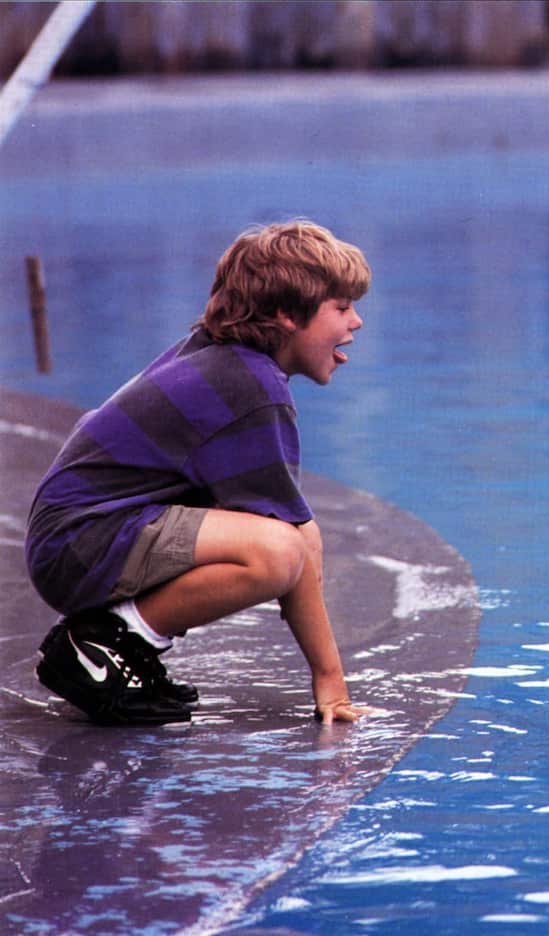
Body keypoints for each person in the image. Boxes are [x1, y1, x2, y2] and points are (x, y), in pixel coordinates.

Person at [26, 220, 372, 727]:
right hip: (79, 544)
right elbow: (293, 545)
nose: (356, 322)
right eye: (341, 308)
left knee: (292, 539)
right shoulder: (251, 388)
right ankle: (108, 644)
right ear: (285, 316)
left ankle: (120, 640)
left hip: (78, 535)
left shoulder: (221, 355)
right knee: (277, 553)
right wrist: (330, 681)